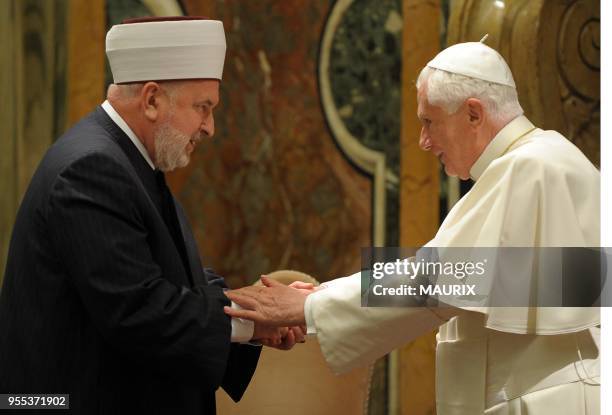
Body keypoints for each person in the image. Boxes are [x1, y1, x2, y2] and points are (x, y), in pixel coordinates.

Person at [225, 41, 601, 414]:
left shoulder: (529, 167)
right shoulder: (548, 160)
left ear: (473, 113)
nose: (423, 142)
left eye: (428, 122)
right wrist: (321, 295)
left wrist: (310, 306)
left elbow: (440, 279)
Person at [0, 16, 302, 414]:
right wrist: (254, 321)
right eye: (203, 107)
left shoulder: (124, 157)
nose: (209, 127)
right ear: (152, 99)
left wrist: (252, 310)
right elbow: (138, 310)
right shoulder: (91, 167)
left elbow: (165, 276)